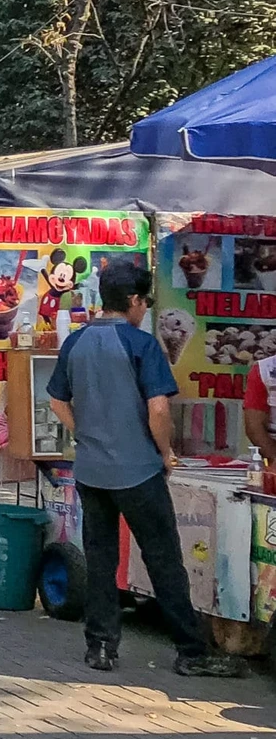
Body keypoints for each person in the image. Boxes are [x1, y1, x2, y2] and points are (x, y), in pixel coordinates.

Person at [47, 258, 245, 676]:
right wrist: (166, 452)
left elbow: (56, 401)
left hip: (91, 472)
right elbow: (158, 410)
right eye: (146, 302)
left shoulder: (76, 342)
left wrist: (84, 432)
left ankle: (101, 648)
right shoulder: (142, 345)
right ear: (135, 300)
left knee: (100, 560)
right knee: (164, 560)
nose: (145, 309)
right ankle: (191, 652)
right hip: (138, 470)